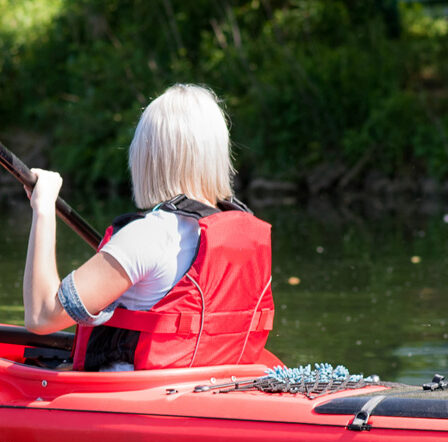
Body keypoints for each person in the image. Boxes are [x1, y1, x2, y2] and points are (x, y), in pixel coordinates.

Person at [23, 84, 274, 371]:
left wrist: (43, 208)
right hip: (211, 391)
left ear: (146, 156)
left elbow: (42, 316)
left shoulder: (149, 236)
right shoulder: (241, 233)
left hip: (134, 402)